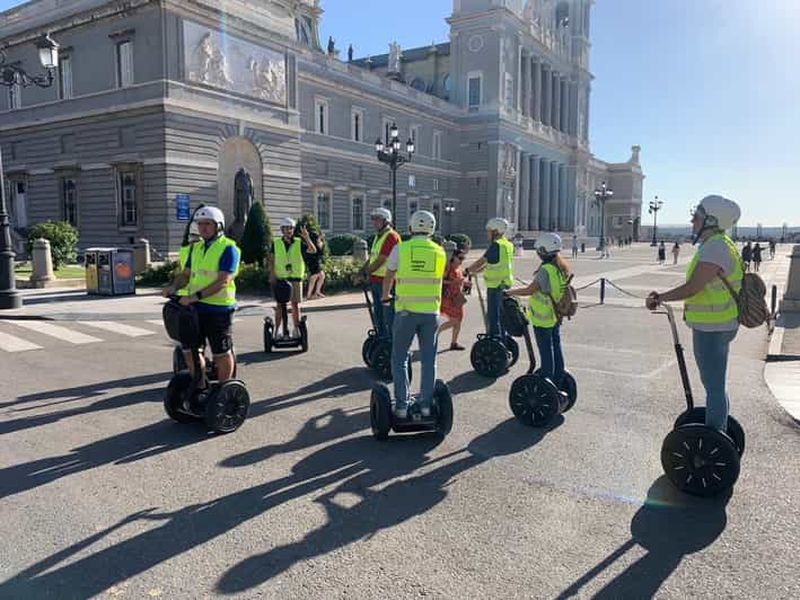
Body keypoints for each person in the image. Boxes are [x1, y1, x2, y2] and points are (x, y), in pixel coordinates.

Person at [646, 195, 743, 433]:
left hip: (713, 327)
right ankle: (718, 429)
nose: (692, 220)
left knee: (714, 386)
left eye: (697, 216)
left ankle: (714, 436)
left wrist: (659, 298)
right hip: (718, 324)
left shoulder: (715, 248)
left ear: (711, 220)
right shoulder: (720, 244)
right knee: (715, 384)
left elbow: (693, 288)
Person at [162, 206, 241, 382]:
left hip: (219, 309)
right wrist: (173, 287)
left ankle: (224, 388)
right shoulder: (195, 248)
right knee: (190, 350)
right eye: (200, 224)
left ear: (218, 226)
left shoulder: (229, 248)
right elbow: (186, 275)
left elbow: (223, 281)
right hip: (195, 308)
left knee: (220, 352)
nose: (203, 227)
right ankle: (199, 384)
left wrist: (194, 297)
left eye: (208, 224)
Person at [382, 210, 447, 418]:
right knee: (429, 360)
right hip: (431, 313)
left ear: (411, 227)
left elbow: (389, 274)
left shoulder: (401, 249)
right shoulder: (440, 252)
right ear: (432, 229)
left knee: (400, 358)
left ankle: (401, 407)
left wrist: (385, 296)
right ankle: (426, 406)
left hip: (406, 312)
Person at [507, 232, 572, 387]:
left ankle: (547, 379)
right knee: (556, 347)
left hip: (543, 318)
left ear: (543, 250)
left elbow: (531, 290)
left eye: (539, 250)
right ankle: (558, 378)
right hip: (555, 315)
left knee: (546, 351)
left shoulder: (546, 270)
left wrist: (510, 292)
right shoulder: (560, 267)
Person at [464, 218, 514, 343]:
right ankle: (503, 339)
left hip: (495, 286)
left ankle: (496, 341)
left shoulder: (496, 245)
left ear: (495, 231)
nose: (488, 234)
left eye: (489, 231)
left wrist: (467, 271)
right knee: (501, 316)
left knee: (493, 316)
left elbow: (483, 260)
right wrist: (476, 272)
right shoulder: (507, 244)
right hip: (505, 284)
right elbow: (492, 264)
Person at [355, 208, 401, 338]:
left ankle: (392, 343)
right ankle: (382, 340)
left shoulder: (391, 236)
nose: (374, 222)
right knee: (378, 316)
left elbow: (382, 260)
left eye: (377, 219)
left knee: (388, 316)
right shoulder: (378, 237)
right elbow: (373, 258)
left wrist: (364, 274)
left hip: (387, 282)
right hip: (376, 281)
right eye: (374, 219)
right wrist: (361, 271)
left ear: (386, 221)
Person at [268, 217, 317, 339]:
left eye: (290, 228)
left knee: (295, 305)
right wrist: (272, 275)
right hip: (281, 278)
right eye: (285, 228)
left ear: (293, 229)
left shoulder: (299, 242)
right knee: (280, 304)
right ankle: (278, 330)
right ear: (282, 230)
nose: (288, 231)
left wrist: (307, 237)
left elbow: (313, 250)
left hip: (295, 277)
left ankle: (296, 329)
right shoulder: (276, 243)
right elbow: (271, 260)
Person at [438, 248, 470, 351]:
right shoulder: (448, 267)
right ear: (453, 257)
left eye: (463, 258)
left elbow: (459, 281)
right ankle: (436, 332)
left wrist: (465, 283)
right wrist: (452, 282)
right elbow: (439, 280)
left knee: (459, 320)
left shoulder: (460, 268)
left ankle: (454, 343)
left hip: (457, 297)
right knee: (454, 320)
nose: (461, 260)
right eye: (460, 258)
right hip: (448, 298)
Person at [304, 229, 326, 299]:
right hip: (314, 263)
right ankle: (309, 295)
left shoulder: (317, 244)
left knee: (321, 275)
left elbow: (320, 245)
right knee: (314, 277)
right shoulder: (311, 246)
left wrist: (320, 237)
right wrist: (319, 237)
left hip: (315, 263)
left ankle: (317, 292)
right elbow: (316, 248)